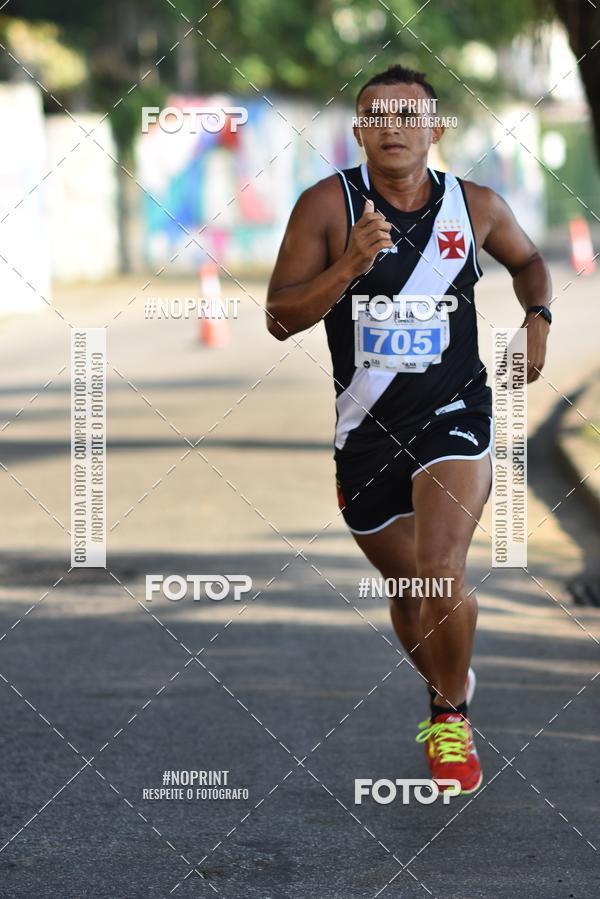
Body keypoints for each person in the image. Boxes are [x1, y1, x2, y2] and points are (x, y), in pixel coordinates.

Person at [265, 64, 551, 794]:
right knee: (411, 592)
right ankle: (448, 680)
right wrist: (351, 264)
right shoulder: (326, 207)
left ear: (436, 128)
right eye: (377, 116)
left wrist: (537, 320)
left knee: (440, 567)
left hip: (454, 414)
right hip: (364, 433)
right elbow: (279, 318)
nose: (392, 127)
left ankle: (450, 716)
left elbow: (529, 262)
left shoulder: (476, 206)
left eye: (408, 115)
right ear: (359, 131)